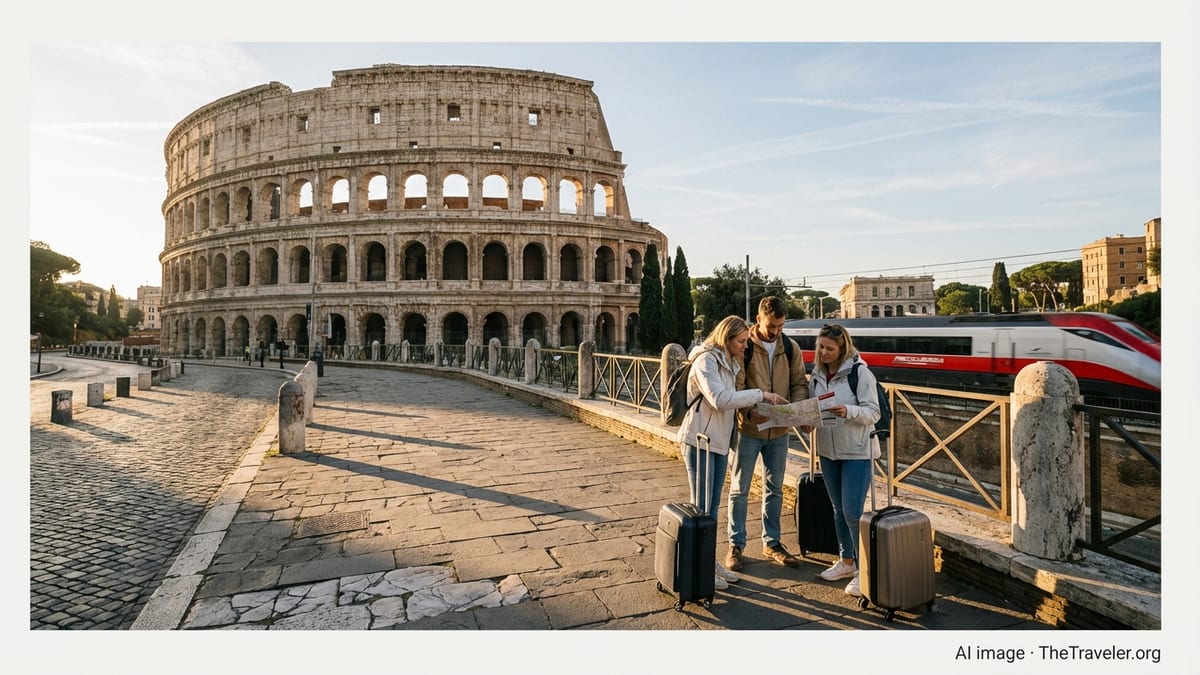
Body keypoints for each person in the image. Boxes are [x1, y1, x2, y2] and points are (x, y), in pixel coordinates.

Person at [677, 315, 788, 591]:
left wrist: (753, 409)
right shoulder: (706, 361)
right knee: (701, 509)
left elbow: (733, 398)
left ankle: (709, 562)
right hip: (699, 442)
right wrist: (760, 395)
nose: (745, 347)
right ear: (726, 339)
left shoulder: (729, 362)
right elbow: (720, 399)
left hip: (717, 442)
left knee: (711, 510)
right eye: (740, 342)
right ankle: (700, 567)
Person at [725, 296, 809, 572]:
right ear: (759, 318)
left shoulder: (790, 346)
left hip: (780, 430)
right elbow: (736, 385)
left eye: (781, 326)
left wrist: (798, 410)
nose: (776, 331)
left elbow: (798, 382)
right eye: (772, 325)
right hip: (749, 428)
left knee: (774, 489)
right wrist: (749, 411)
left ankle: (772, 542)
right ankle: (735, 544)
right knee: (740, 489)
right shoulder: (744, 345)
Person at [807, 323, 880, 598]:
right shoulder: (816, 374)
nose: (823, 353)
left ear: (842, 349)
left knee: (853, 512)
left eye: (829, 349)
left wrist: (847, 410)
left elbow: (873, 413)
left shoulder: (860, 373)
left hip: (857, 452)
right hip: (828, 451)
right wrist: (807, 420)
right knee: (838, 509)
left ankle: (865, 572)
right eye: (820, 347)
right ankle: (846, 561)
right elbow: (816, 408)